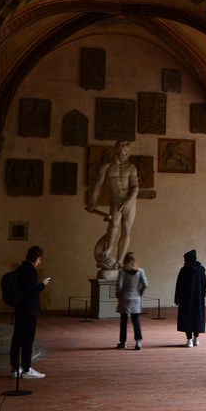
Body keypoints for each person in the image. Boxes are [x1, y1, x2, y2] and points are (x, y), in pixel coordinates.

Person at [86, 140, 140, 270]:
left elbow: (135, 187)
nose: (124, 154)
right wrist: (92, 202)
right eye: (122, 152)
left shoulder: (131, 167)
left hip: (129, 202)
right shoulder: (106, 167)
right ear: (116, 150)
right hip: (115, 201)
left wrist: (128, 201)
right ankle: (109, 247)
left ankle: (119, 261)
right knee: (114, 224)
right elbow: (97, 185)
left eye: (126, 152)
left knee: (126, 230)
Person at [11, 245, 52, 378]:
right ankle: (27, 369)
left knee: (17, 338)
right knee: (28, 339)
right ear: (36, 258)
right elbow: (32, 292)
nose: (40, 263)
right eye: (40, 260)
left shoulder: (19, 269)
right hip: (29, 310)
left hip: (19, 308)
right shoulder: (30, 271)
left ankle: (15, 368)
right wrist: (43, 284)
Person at [173, 249, 206, 347]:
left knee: (187, 318)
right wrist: (202, 295)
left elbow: (179, 285)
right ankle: (196, 338)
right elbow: (205, 284)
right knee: (197, 317)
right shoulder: (200, 270)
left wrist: (177, 298)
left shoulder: (183, 270)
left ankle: (189, 340)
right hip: (198, 299)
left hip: (185, 300)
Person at [116, 252, 148, 350]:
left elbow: (119, 285)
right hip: (136, 298)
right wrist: (140, 292)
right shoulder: (140, 271)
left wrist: (118, 294)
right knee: (135, 321)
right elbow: (145, 284)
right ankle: (138, 341)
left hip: (124, 297)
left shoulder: (122, 272)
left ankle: (123, 342)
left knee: (124, 321)